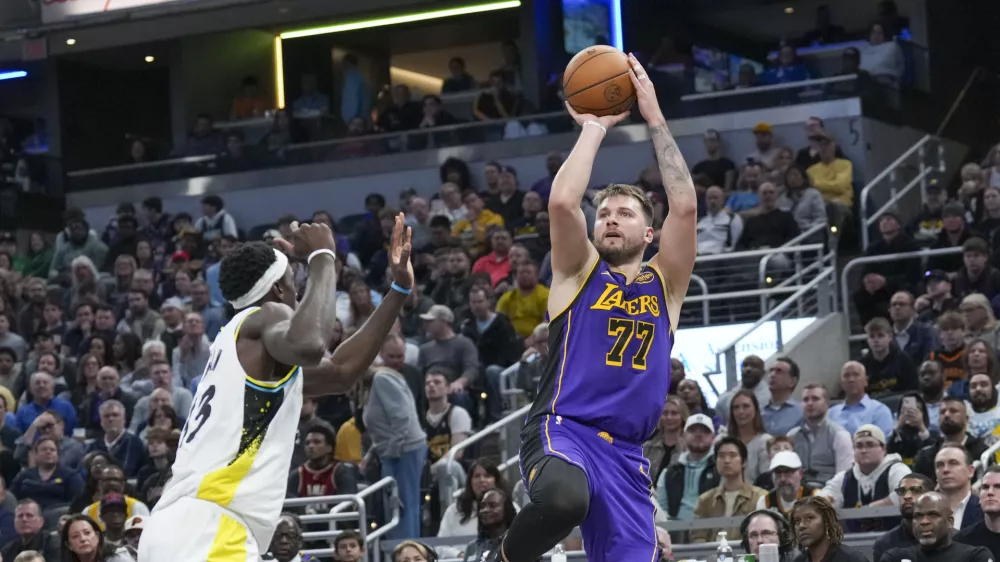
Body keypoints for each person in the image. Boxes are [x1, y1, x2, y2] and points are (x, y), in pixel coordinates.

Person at [490, 54, 697, 562]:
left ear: (649, 234)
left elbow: (685, 205)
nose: (609, 219)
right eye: (603, 212)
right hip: (565, 429)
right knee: (564, 500)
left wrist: (654, 118)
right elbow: (563, 204)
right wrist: (594, 127)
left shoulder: (664, 284)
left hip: (628, 455)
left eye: (624, 213)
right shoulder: (579, 272)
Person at [138, 216, 415, 561]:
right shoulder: (266, 316)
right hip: (211, 527)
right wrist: (322, 258)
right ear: (279, 290)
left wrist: (398, 291)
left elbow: (341, 372)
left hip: (179, 528)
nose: (299, 294)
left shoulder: (241, 349)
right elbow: (312, 343)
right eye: (294, 285)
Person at [880, 492, 993, 562]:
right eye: (918, 516)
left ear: (950, 521)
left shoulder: (975, 557)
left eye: (933, 515)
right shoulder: (894, 558)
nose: (924, 522)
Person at [872, 473, 933, 562]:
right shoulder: (884, 543)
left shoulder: (951, 538)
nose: (906, 496)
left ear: (932, 496)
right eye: (902, 491)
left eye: (916, 490)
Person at [790, 496, 868, 562]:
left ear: (826, 521)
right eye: (797, 521)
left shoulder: (851, 559)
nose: (801, 525)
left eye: (810, 518)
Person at [954, 465, 1000, 558]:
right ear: (979, 497)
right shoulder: (962, 541)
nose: (990, 492)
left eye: (998, 486)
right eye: (985, 487)